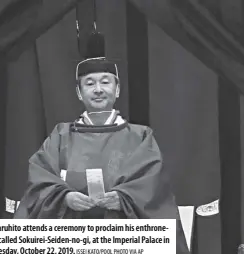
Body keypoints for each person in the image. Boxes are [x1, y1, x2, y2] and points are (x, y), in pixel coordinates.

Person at [14, 32, 189, 253]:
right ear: (79, 92)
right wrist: (64, 197)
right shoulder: (61, 135)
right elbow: (39, 181)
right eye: (89, 83)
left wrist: (123, 199)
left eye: (105, 82)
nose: (98, 89)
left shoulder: (140, 137)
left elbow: (153, 187)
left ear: (117, 89)